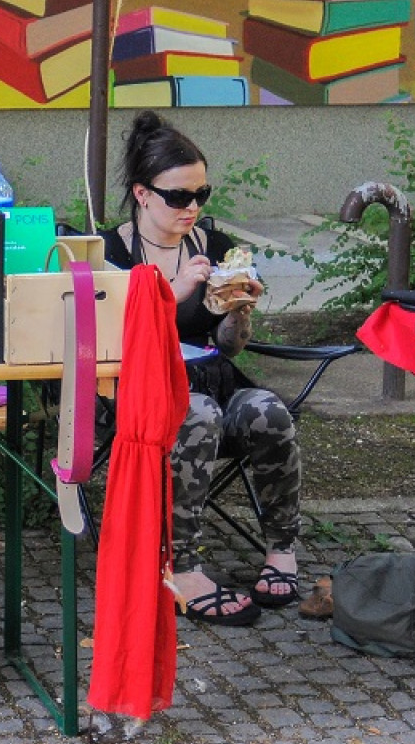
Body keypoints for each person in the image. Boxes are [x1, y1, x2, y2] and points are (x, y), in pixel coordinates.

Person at [100, 110, 298, 627]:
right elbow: (105, 342)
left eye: (201, 195)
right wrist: (176, 291)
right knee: (200, 413)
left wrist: (238, 312)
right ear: (142, 193)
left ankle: (281, 548)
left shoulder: (210, 246)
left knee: (268, 411)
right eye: (179, 196)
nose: (192, 208)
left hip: (208, 380)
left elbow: (228, 348)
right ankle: (180, 565)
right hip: (137, 395)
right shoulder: (110, 253)